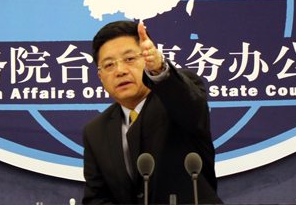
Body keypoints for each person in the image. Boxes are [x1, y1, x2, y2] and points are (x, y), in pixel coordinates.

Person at [82, 20, 222, 204]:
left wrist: (159, 69)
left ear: (147, 59)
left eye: (129, 59)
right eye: (109, 65)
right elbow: (97, 199)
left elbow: (189, 104)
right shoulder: (95, 131)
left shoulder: (175, 97)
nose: (120, 71)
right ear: (100, 77)